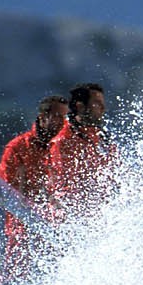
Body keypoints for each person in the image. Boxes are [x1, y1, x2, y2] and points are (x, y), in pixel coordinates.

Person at [0, 94, 67, 278]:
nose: (62, 122)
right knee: (14, 278)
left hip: (60, 227)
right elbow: (6, 190)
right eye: (57, 117)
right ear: (43, 117)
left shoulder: (67, 144)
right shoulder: (18, 147)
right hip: (24, 226)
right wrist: (41, 196)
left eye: (65, 117)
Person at [49, 82, 119, 219]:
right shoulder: (64, 141)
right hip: (75, 217)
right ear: (80, 107)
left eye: (102, 103)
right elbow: (64, 188)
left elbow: (115, 175)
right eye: (97, 103)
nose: (103, 108)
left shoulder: (102, 137)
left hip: (103, 213)